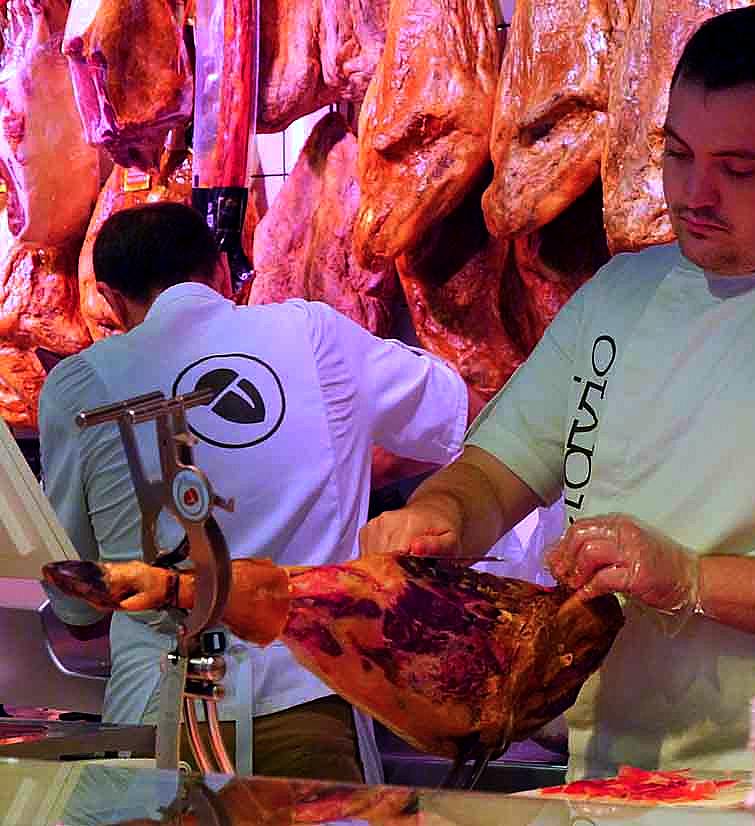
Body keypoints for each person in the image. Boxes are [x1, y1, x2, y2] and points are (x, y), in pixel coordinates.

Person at [360, 4, 755, 778]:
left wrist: (695, 581)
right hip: (610, 782)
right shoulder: (622, 293)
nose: (696, 193)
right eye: (677, 154)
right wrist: (441, 515)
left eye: (738, 170)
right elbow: (496, 471)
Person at [39, 201, 479, 782]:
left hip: (160, 714)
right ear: (222, 272)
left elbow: (76, 600)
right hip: (308, 697)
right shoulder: (313, 334)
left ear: (111, 301)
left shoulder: (77, 385)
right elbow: (459, 414)